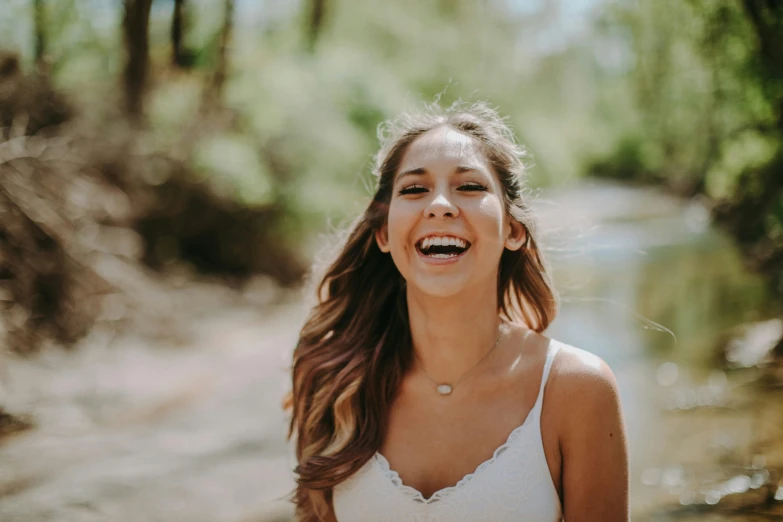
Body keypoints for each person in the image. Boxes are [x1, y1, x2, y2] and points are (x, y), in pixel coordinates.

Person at [287, 101, 629, 522]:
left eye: (469, 187)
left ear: (512, 230)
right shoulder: (333, 379)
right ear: (382, 233)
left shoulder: (577, 390)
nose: (440, 205)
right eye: (414, 190)